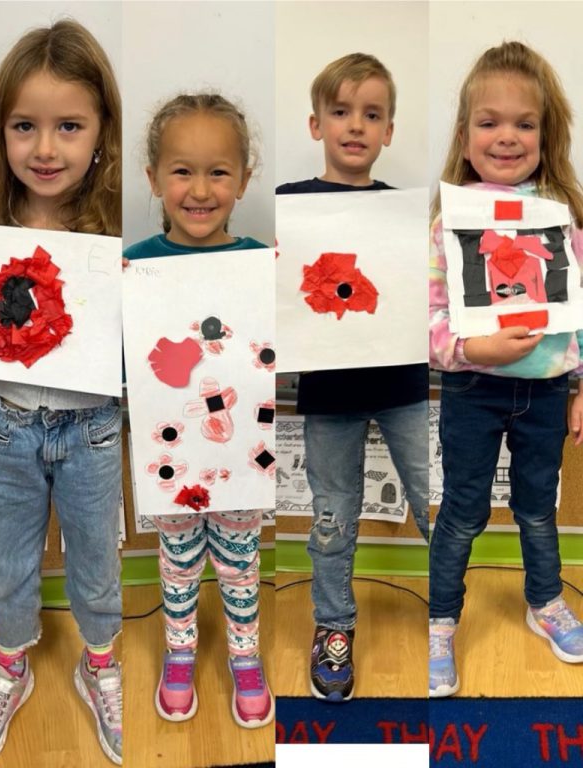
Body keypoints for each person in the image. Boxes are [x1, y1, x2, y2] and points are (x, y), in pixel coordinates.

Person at [0, 20, 123, 766]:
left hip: (92, 430)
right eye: (25, 126)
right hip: (3, 429)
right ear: (1, 132)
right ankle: (11, 661)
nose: (46, 149)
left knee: (97, 560)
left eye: (69, 126)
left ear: (101, 134)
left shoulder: (120, 231)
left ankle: (100, 662)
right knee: (8, 564)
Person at [429, 41, 583, 698]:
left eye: (525, 123)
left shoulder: (563, 218)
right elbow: (431, 323)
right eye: (489, 122)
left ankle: (544, 602)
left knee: (537, 510)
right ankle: (441, 621)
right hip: (472, 389)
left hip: (547, 391)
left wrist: (580, 388)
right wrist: (471, 351)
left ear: (547, 138)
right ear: (465, 137)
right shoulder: (449, 220)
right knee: (462, 511)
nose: (507, 136)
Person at [277, 53, 430, 703]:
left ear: (390, 131)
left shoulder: (403, 213)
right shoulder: (292, 205)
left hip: (404, 386)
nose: (356, 126)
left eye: (372, 114)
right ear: (316, 125)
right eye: (341, 112)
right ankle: (334, 626)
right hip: (330, 396)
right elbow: (279, 300)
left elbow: (421, 296)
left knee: (437, 501)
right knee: (333, 517)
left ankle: (446, 610)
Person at [125, 93, 273, 729]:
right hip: (171, 456)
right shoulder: (136, 266)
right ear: (153, 176)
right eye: (182, 170)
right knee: (177, 560)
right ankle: (180, 650)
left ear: (243, 179)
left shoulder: (260, 262)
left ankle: (245, 654)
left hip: (241, 454)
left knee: (241, 562)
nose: (200, 189)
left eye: (219, 171)